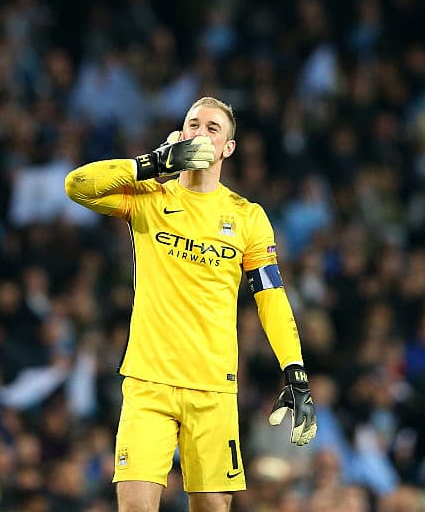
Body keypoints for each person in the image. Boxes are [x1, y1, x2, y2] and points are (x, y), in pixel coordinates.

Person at [64, 97, 317, 512]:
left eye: (213, 128)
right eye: (193, 124)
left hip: (213, 388)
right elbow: (77, 185)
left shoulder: (247, 217)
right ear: (180, 136)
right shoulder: (149, 195)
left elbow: (271, 298)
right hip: (149, 382)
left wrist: (295, 371)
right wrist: (152, 163)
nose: (200, 132)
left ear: (228, 149)